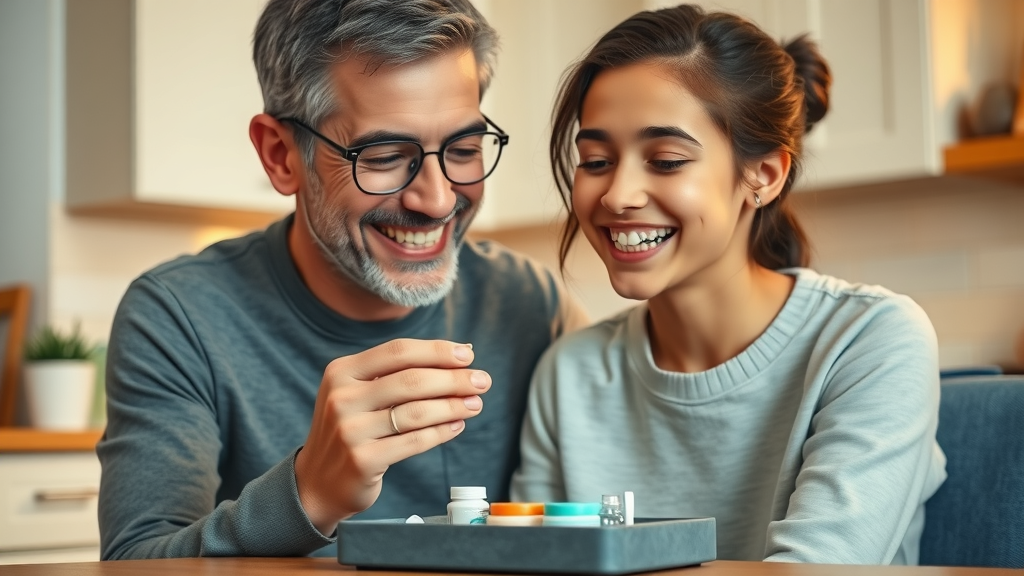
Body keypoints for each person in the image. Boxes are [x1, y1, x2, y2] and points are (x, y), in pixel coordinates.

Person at [97, 0, 586, 560]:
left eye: (464, 149)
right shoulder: (178, 315)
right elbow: (134, 562)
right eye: (382, 155)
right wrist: (311, 494)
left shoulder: (531, 302)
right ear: (281, 155)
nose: (438, 198)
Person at [511, 4, 946, 565]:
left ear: (762, 175)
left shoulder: (871, 340)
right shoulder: (568, 374)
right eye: (595, 159)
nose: (617, 195)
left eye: (665, 160)